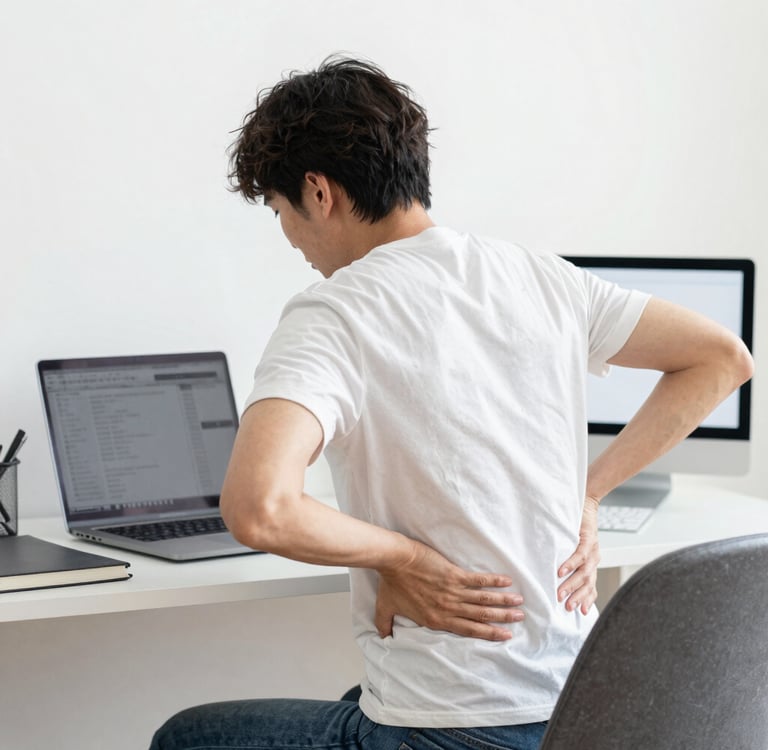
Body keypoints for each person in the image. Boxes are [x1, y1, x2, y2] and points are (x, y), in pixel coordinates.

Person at [149, 57, 753, 750]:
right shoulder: (540, 276)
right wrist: (588, 494)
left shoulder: (335, 312)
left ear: (318, 192)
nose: (291, 237)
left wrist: (404, 559)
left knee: (184, 737)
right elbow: (722, 358)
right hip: (583, 713)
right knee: (356, 693)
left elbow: (262, 507)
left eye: (282, 211)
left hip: (454, 731)